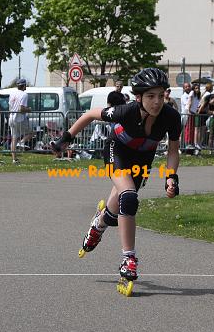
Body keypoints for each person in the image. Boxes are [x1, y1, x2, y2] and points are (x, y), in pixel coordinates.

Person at [51, 68, 181, 295]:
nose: (157, 102)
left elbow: (173, 150)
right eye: (151, 96)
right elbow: (90, 115)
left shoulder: (171, 116)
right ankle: (128, 259)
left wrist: (171, 177)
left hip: (142, 158)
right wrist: (65, 139)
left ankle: (99, 224)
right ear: (138, 97)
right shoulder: (126, 111)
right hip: (117, 151)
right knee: (129, 198)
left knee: (114, 214)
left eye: (161, 95)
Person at [8, 78, 33, 164]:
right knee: (32, 133)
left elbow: (10, 107)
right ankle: (21, 143)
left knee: (14, 138)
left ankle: (14, 159)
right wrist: (29, 109)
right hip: (19, 118)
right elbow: (21, 109)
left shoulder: (12, 93)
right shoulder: (24, 94)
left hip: (11, 118)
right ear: (24, 85)